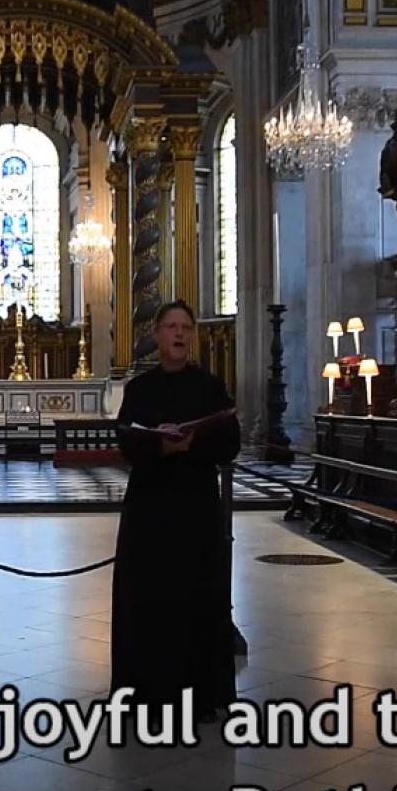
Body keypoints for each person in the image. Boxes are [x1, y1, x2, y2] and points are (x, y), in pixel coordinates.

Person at [112, 301, 241, 720]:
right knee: (149, 596)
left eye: (186, 326)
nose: (179, 333)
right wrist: (158, 445)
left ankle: (200, 695)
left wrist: (191, 444)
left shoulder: (209, 386)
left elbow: (230, 442)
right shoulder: (140, 389)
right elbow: (127, 442)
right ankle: (146, 693)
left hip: (197, 505)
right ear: (157, 333)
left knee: (197, 595)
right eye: (171, 326)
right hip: (150, 505)